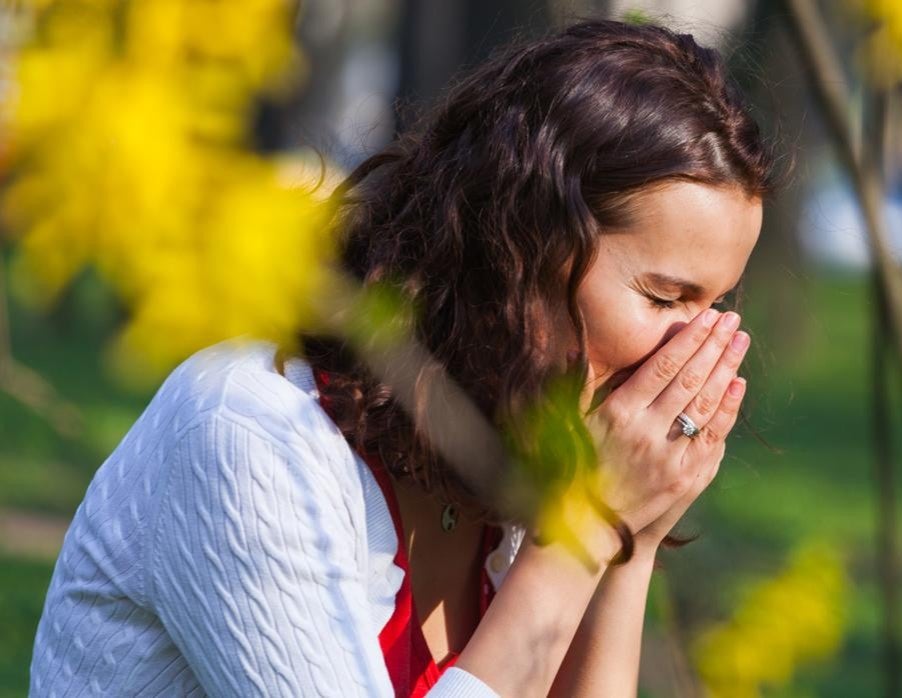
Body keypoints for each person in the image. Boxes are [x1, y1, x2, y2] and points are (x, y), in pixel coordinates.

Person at [30, 18, 775, 697]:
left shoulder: (516, 453)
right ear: (521, 254)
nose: (698, 348)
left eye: (715, 306)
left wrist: (628, 544)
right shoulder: (248, 436)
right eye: (665, 298)